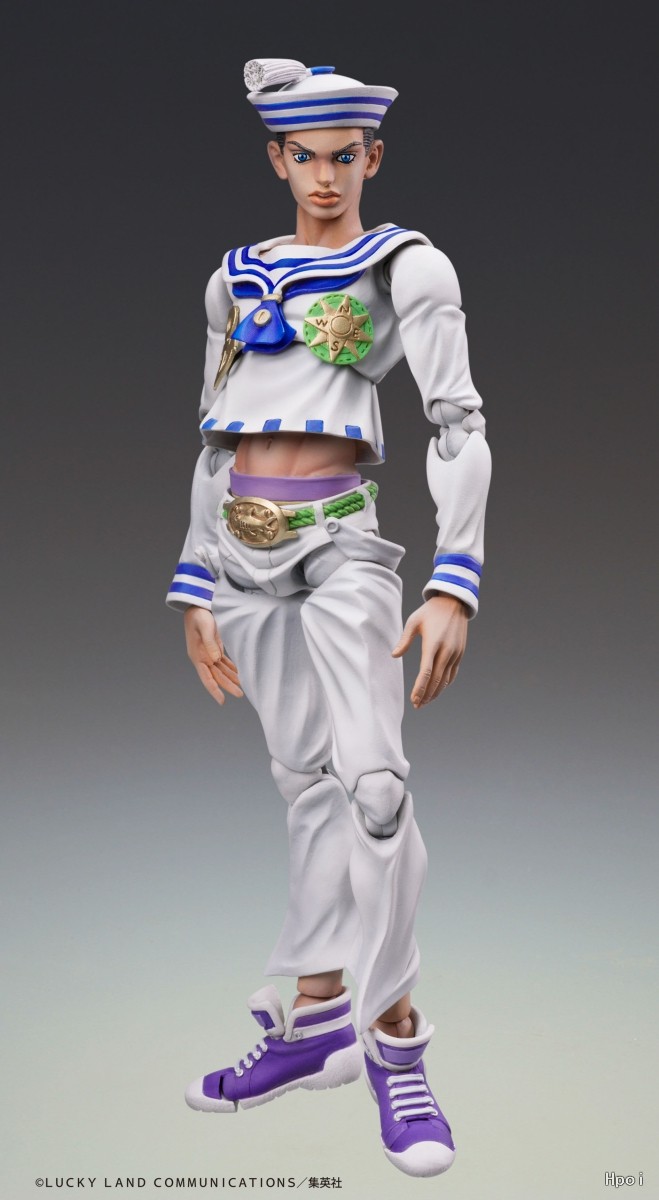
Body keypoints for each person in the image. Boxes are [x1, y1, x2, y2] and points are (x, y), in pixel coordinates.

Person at [166, 57, 491, 1179]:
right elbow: (212, 437)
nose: (322, 176)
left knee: (376, 791)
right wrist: (192, 579)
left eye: (342, 155)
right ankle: (313, 1024)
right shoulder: (234, 278)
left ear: (371, 156)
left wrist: (454, 578)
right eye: (302, 156)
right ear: (275, 158)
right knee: (303, 787)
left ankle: (394, 1041)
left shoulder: (405, 264)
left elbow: (456, 424)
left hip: (344, 540)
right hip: (240, 550)